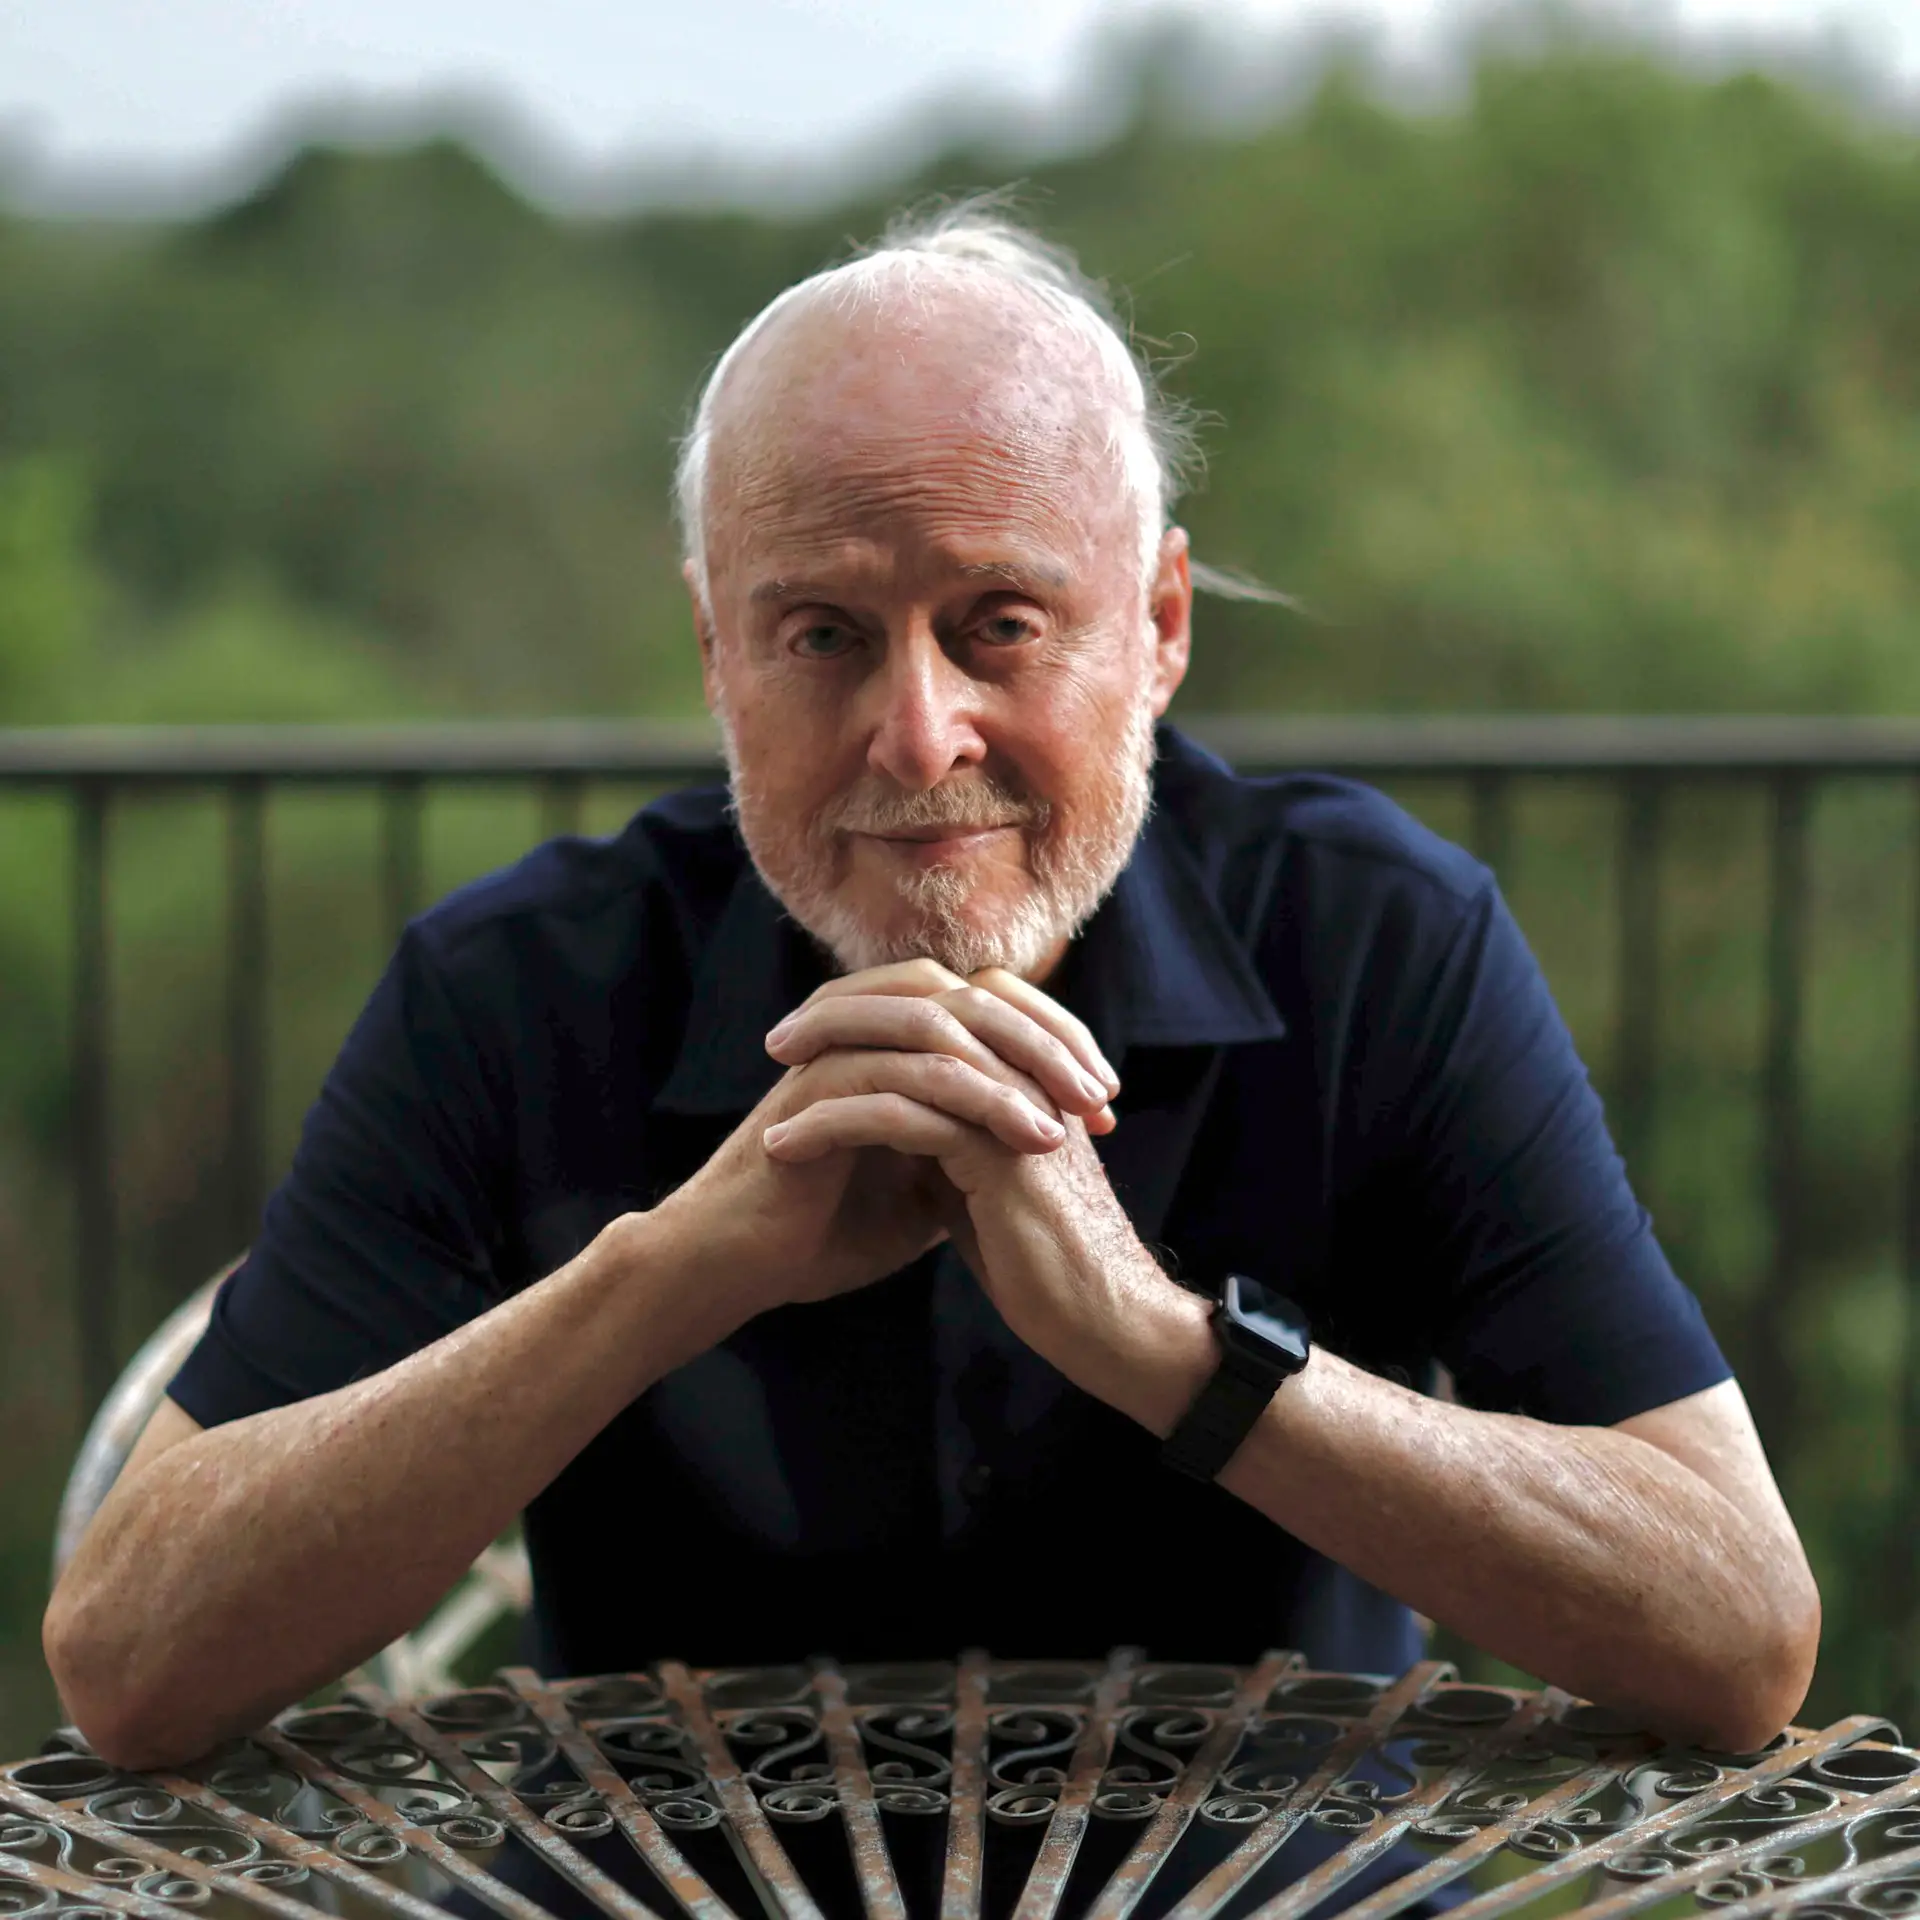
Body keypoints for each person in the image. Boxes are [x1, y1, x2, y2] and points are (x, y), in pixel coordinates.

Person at [45, 206, 1819, 1774]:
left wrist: (1163, 1347)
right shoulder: (512, 986)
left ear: (1163, 625)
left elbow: (1739, 1631)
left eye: (1000, 622)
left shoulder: (1378, 945)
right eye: (822, 631)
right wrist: (675, 1269)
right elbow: (127, 1665)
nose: (918, 734)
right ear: (715, 654)